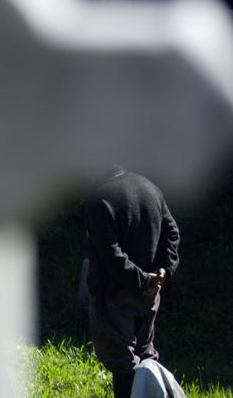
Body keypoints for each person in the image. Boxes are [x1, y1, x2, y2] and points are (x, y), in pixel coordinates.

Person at [86, 167, 181, 398]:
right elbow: (172, 234)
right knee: (146, 357)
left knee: (123, 364)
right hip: (150, 296)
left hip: (116, 296)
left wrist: (142, 281)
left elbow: (111, 254)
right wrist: (162, 272)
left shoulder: (100, 200)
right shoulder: (150, 188)